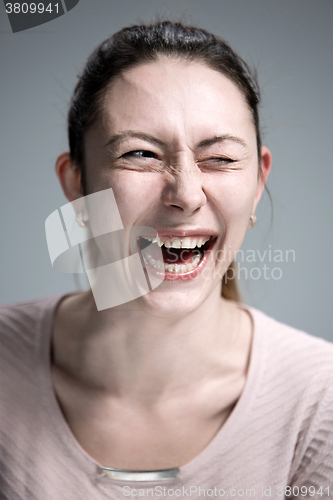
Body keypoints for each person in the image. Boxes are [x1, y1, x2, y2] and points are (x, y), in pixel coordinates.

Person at [0, 21, 332, 500]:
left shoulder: (321, 404)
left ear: (258, 182)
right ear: (76, 186)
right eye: (140, 154)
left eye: (218, 158)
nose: (186, 195)